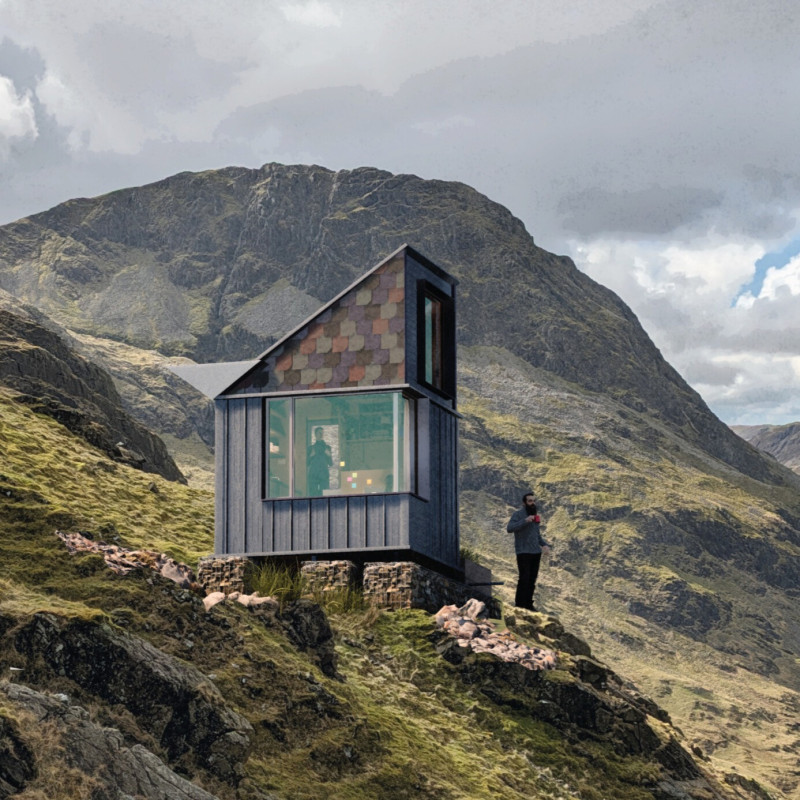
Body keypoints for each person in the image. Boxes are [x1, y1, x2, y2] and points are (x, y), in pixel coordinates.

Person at [506, 491, 552, 610]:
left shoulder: (536, 516)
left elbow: (537, 535)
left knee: (532, 579)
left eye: (534, 501)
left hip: (535, 553)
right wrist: (525, 520)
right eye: (530, 501)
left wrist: (544, 545)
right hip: (523, 552)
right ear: (524, 503)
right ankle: (520, 605)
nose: (532, 503)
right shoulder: (518, 514)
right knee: (524, 578)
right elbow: (510, 528)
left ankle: (529, 604)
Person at [307, 427, 332, 496]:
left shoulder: (327, 448)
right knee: (313, 495)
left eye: (322, 433)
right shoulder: (310, 448)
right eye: (319, 433)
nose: (321, 434)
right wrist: (311, 456)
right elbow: (306, 463)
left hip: (324, 475)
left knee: (325, 495)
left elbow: (331, 463)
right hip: (313, 475)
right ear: (315, 434)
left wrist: (328, 455)